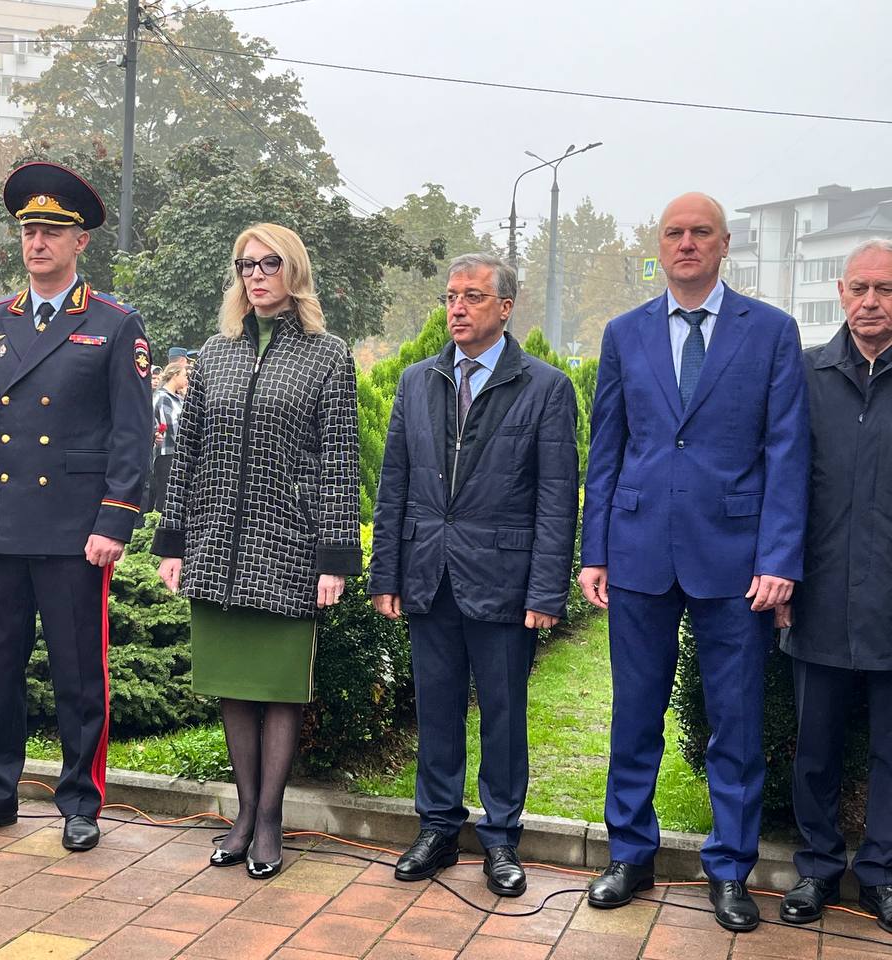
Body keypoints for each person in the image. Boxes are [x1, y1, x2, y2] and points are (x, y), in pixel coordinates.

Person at [578, 193, 809, 932]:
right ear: (661, 245)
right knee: (635, 714)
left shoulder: (770, 332)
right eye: (674, 233)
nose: (686, 244)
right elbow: (607, 448)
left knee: (734, 722)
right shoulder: (624, 333)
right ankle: (629, 854)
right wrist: (595, 551)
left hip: (736, 561)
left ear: (724, 243)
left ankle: (731, 869)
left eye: (699, 233)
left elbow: (786, 452)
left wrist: (779, 558)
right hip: (639, 551)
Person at [0, 162, 152, 846]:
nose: (38, 242)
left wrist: (115, 520)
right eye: (29, 230)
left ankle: (80, 802)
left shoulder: (115, 324)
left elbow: (132, 432)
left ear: (79, 243)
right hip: (1, 524)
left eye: (52, 232)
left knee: (78, 674)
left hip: (74, 530)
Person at [154, 223, 361, 878]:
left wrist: (335, 556)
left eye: (268, 262)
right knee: (232, 688)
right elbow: (186, 456)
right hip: (217, 543)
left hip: (288, 545)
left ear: (292, 269)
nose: (256, 274)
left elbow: (339, 461)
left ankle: (269, 819)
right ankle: (243, 814)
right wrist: (173, 540)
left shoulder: (329, 357)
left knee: (278, 689)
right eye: (245, 264)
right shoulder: (215, 354)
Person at [368, 253, 578, 893]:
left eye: (473, 297)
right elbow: (394, 483)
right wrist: (386, 575)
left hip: (505, 583)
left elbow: (557, 496)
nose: (457, 308)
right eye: (451, 297)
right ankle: (436, 827)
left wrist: (546, 589)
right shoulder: (416, 381)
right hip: (429, 574)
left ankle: (501, 838)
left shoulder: (544, 387)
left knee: (504, 713)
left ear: (505, 307)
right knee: (435, 710)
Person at [775, 238, 892, 934]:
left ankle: (881, 873)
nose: (872, 302)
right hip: (817, 594)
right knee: (814, 747)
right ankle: (817, 869)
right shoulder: (808, 374)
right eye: (860, 288)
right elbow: (782, 481)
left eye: (885, 288)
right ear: (840, 293)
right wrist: (781, 570)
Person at [150, 360, 186, 512]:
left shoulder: (176, 397)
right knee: (165, 497)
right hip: (167, 454)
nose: (186, 380)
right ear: (175, 375)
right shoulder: (163, 397)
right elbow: (172, 428)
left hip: (175, 453)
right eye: (184, 376)